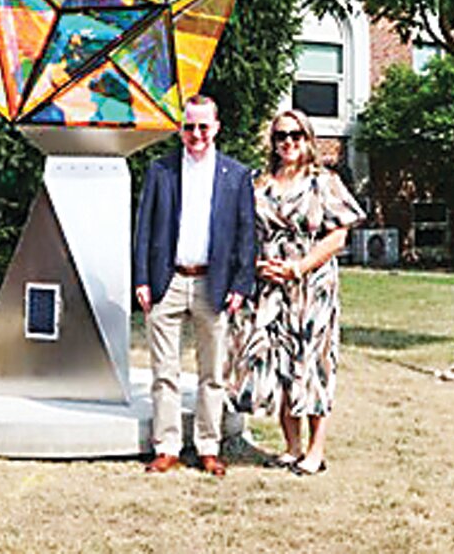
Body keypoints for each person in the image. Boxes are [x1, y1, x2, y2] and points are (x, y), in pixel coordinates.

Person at [231, 108, 364, 476]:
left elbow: (338, 237)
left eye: (295, 135)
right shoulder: (259, 184)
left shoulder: (325, 182)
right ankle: (290, 446)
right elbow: (245, 232)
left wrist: (299, 267)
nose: (288, 142)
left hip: (312, 284)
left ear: (308, 139)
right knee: (280, 364)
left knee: (314, 362)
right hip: (270, 285)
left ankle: (315, 451)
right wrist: (256, 265)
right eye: (280, 136)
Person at [133, 94, 256, 477]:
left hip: (214, 285)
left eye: (204, 126)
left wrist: (240, 283)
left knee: (212, 374)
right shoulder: (161, 171)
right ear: (181, 129)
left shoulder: (236, 176)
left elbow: (245, 235)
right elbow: (143, 229)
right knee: (164, 372)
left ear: (217, 127)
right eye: (190, 127)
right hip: (167, 281)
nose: (197, 134)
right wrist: (141, 279)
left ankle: (208, 446)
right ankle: (167, 446)